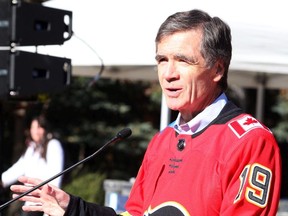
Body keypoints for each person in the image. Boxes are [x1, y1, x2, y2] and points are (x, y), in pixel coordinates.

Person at [10, 9, 281, 216]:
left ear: (218, 69)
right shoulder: (162, 140)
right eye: (162, 60)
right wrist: (74, 209)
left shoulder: (250, 142)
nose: (168, 74)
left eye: (183, 60)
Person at [1, 115, 64, 216]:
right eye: (33, 128)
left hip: (44, 205)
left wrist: (50, 209)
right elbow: (18, 168)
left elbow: (56, 178)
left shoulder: (53, 145)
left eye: (39, 127)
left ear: (45, 128)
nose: (35, 131)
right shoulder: (32, 148)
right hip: (30, 204)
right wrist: (2, 180)